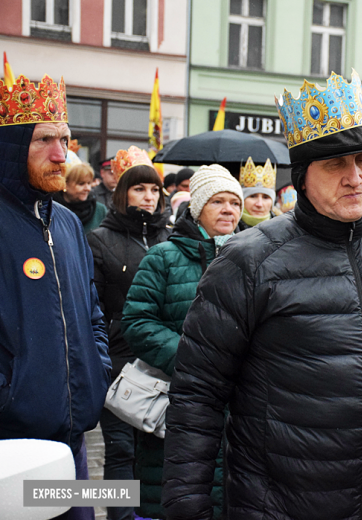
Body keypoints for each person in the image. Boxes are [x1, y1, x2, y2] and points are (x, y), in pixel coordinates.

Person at [160, 71, 362, 520]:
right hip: (278, 507)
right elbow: (199, 395)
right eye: (336, 164)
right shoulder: (248, 261)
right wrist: (187, 506)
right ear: (302, 177)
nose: (355, 177)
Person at [0, 74, 111, 520]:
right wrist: (11, 397)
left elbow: (92, 311)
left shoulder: (66, 223)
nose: (61, 154)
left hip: (73, 443)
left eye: (65, 139)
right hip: (12, 447)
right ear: (9, 145)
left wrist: (97, 371)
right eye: (43, 139)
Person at [122, 164, 241, 519]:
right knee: (177, 496)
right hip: (178, 401)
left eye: (234, 202)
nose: (228, 210)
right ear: (197, 208)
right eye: (218, 201)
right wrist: (193, 360)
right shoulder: (163, 257)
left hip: (239, 407)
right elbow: (138, 321)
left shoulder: (254, 257)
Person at [87, 158, 171, 520]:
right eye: (139, 188)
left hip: (162, 363)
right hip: (119, 362)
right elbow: (93, 307)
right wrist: (102, 359)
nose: (148, 197)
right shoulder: (100, 239)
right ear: (122, 194)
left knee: (156, 451)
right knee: (120, 450)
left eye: (154, 189)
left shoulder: (170, 238)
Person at [52, 162, 108, 234]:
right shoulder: (53, 208)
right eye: (81, 184)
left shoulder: (99, 210)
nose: (87, 188)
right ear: (65, 184)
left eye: (89, 183)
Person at [239, 156, 277, 230]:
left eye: (265, 197)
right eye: (253, 196)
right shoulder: (228, 230)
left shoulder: (283, 229)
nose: (259, 204)